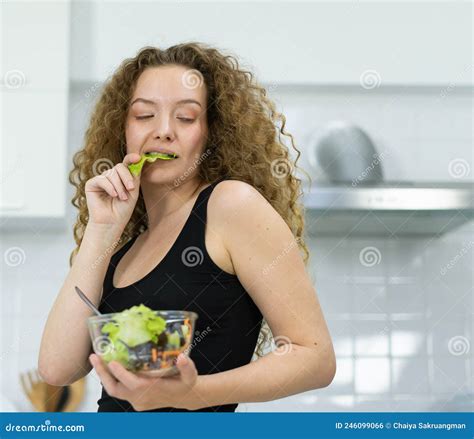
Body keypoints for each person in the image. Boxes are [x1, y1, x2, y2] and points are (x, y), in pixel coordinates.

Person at [38, 42, 336, 412]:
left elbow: (314, 358)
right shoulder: (122, 245)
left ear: (212, 133)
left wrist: (189, 394)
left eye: (186, 117)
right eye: (144, 115)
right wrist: (101, 230)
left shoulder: (231, 205)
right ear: (123, 129)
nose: (163, 131)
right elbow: (56, 368)